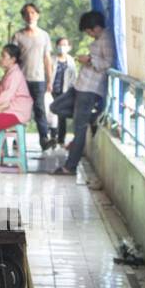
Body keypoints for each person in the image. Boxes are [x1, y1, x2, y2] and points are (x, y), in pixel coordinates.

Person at [54, 10, 114, 176]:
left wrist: (89, 60)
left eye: (88, 31)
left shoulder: (106, 39)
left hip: (90, 88)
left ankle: (70, 166)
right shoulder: (98, 39)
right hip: (80, 85)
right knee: (56, 107)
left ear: (95, 28)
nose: (88, 34)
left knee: (79, 130)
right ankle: (92, 118)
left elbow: (107, 63)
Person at [11, 2, 55, 149]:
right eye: (27, 13)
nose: (30, 16)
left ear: (38, 15)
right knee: (21, 110)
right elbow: (12, 59)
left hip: (39, 79)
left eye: (33, 13)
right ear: (23, 17)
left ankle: (44, 139)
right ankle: (18, 140)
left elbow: (47, 59)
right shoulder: (18, 36)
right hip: (21, 79)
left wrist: (50, 80)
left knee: (40, 109)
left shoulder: (44, 36)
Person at [0, 42, 34, 139]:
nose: (0, 58)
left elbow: (6, 96)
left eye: (3, 56)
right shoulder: (9, 73)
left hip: (17, 111)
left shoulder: (15, 75)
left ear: (13, 59)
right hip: (10, 109)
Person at [49, 35, 78, 146]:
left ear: (69, 47)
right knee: (50, 114)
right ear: (56, 46)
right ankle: (52, 136)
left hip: (65, 92)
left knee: (62, 116)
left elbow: (74, 77)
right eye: (60, 45)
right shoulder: (52, 59)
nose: (62, 47)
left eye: (65, 45)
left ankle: (61, 139)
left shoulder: (71, 61)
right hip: (52, 90)